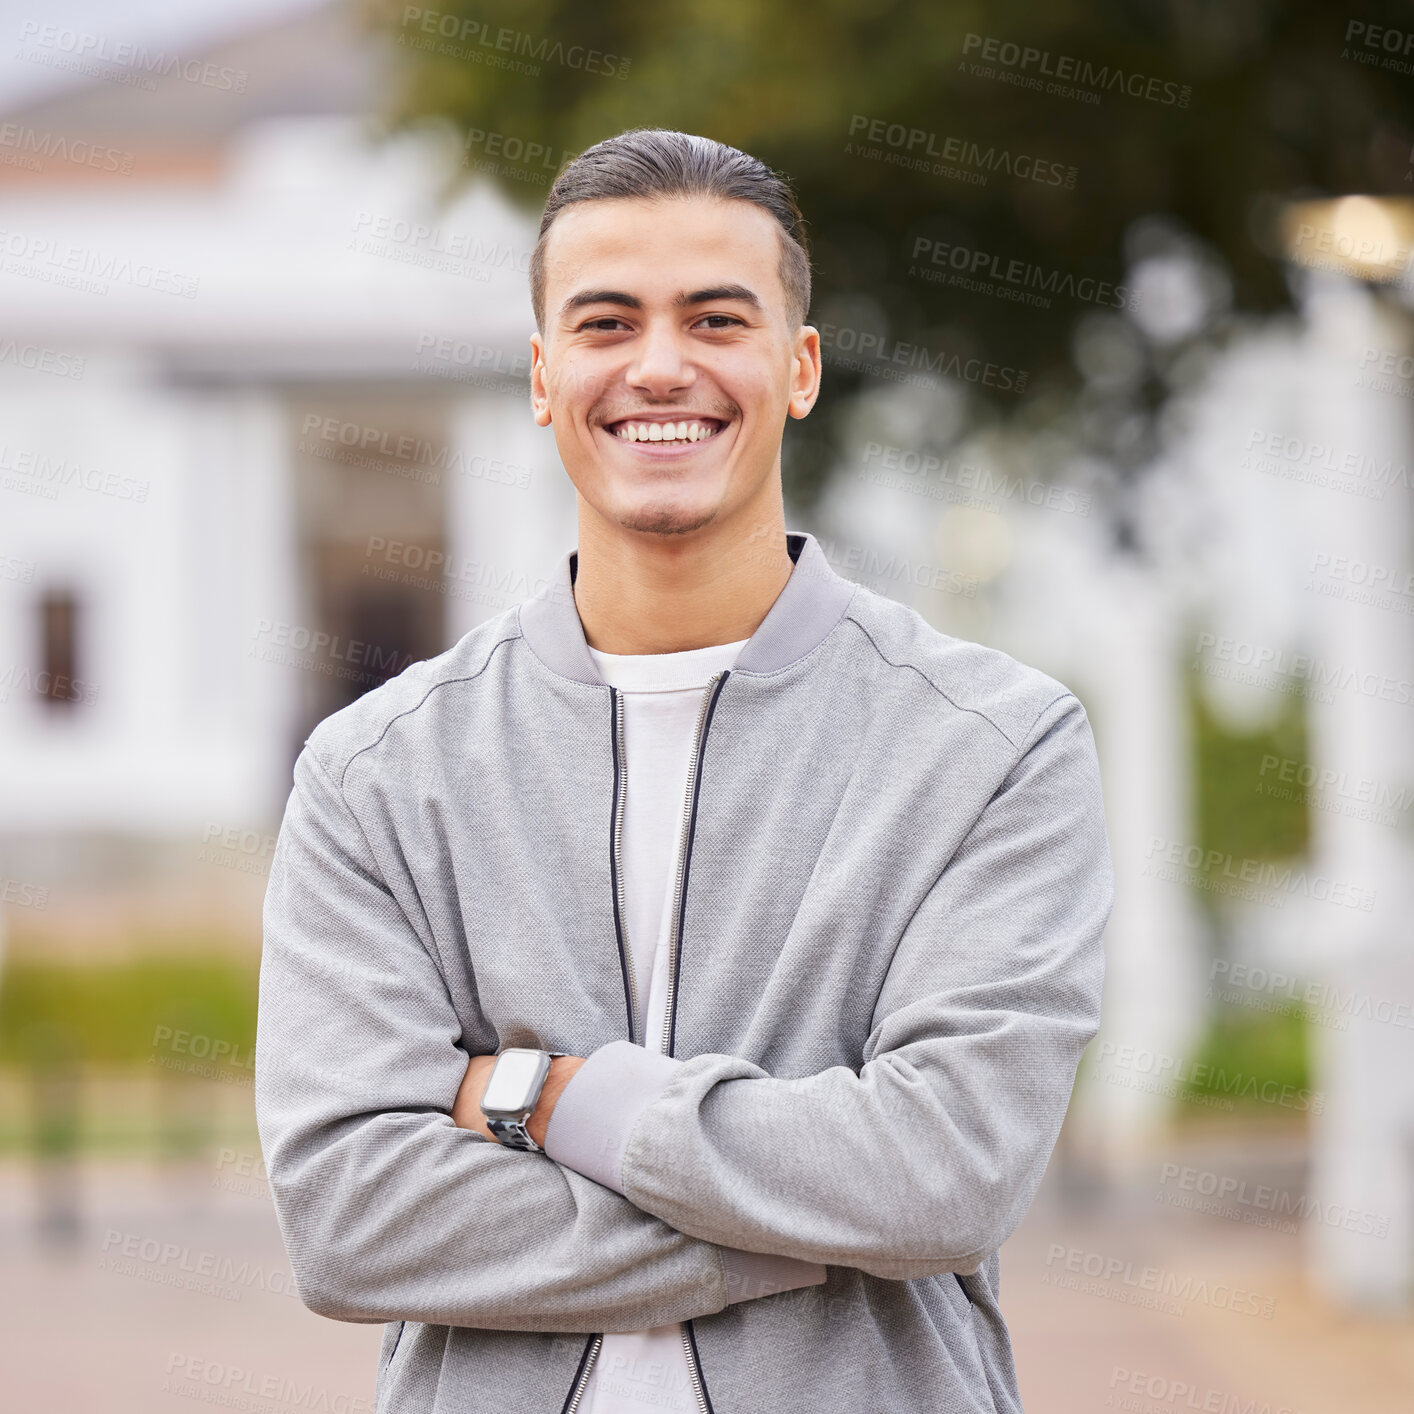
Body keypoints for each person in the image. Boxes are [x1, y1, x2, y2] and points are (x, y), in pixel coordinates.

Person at [255, 127, 1114, 1414]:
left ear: (798, 365)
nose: (661, 367)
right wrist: (808, 1223)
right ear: (545, 374)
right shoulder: (378, 773)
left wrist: (552, 1098)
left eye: (717, 318)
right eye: (607, 324)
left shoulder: (993, 747)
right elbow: (351, 1219)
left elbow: (945, 1174)